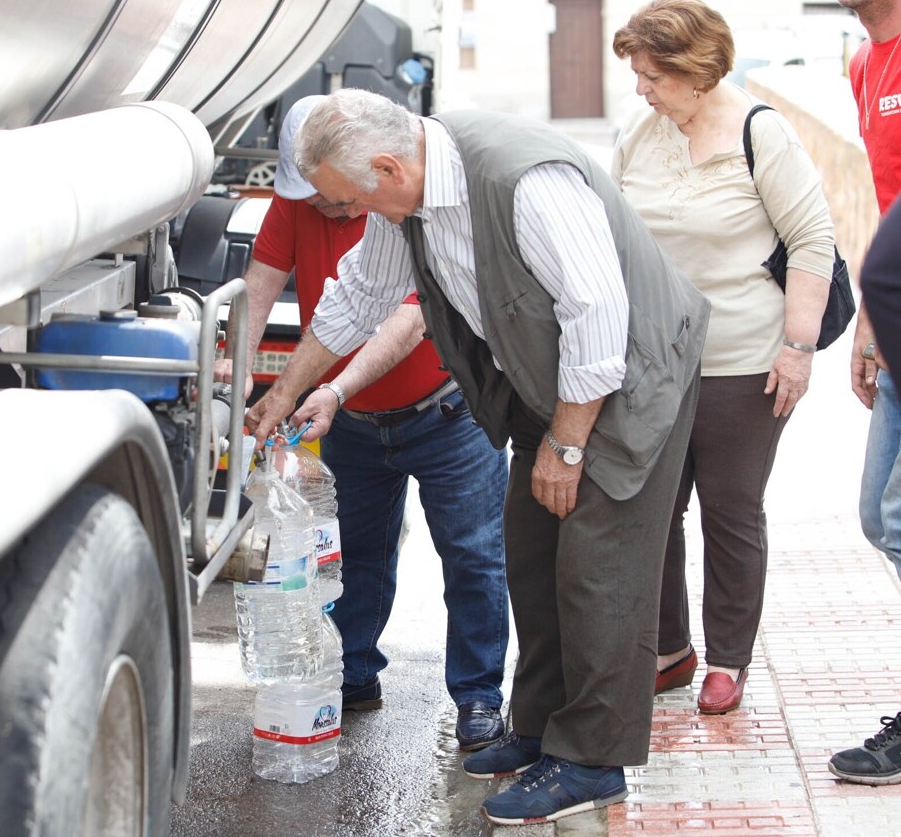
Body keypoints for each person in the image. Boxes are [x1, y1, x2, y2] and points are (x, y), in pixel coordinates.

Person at [246, 88, 710, 826]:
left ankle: (591, 761)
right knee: (532, 557)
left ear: (389, 168)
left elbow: (599, 316)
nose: (357, 219)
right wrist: (285, 390)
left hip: (624, 380)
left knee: (598, 572)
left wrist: (565, 444)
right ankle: (538, 730)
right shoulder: (410, 197)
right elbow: (358, 300)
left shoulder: (521, 181)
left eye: (353, 203)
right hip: (545, 385)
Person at [216, 96, 512, 752]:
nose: (328, 208)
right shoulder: (304, 196)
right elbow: (259, 288)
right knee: (352, 558)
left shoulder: (394, 199)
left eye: (333, 196)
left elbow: (407, 320)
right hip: (347, 418)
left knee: (473, 557)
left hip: (445, 409)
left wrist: (334, 386)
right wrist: (239, 380)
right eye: (315, 196)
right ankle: (351, 675)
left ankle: (479, 698)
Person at [611, 0, 835, 716]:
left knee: (731, 511)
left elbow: (812, 241)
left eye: (651, 75)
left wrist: (797, 350)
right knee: (654, 508)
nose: (641, 89)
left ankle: (728, 661)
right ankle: (670, 649)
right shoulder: (639, 134)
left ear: (695, 70)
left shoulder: (758, 133)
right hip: (655, 362)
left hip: (744, 361)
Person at [828, 0, 901, 786]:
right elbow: (890, 208)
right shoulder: (864, 62)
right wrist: (872, 323)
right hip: (897, 313)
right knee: (882, 516)